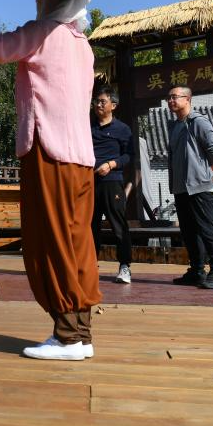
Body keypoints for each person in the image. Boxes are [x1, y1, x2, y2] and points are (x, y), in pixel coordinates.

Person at [0, 0, 100, 362]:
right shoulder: (83, 44)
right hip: (81, 157)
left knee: (51, 241)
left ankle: (67, 337)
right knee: (77, 241)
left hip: (49, 151)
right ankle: (80, 332)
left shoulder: (43, 32)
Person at [166, 86, 213, 289]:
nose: (171, 101)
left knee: (206, 228)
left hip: (199, 186)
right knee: (188, 231)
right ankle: (197, 270)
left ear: (188, 99)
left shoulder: (198, 122)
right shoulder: (175, 126)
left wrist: (210, 170)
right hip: (181, 187)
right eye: (169, 98)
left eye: (175, 97)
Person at [90, 86, 134, 284]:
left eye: (102, 101)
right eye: (96, 101)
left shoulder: (122, 129)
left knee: (118, 225)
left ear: (113, 105)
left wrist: (111, 164)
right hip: (89, 182)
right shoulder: (87, 127)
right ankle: (90, 266)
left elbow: (129, 156)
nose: (98, 105)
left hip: (112, 182)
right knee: (90, 226)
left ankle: (125, 266)